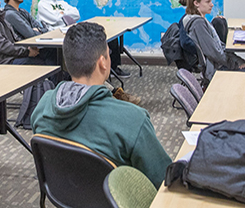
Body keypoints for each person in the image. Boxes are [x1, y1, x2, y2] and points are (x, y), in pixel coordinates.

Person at [31, 22, 171, 188]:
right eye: (109, 53)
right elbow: (163, 179)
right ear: (103, 62)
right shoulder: (133, 118)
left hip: (66, 198)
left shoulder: (43, 105)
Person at [35, 0, 130, 78]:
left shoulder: (60, 2)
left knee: (107, 36)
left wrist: (62, 14)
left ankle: (113, 68)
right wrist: (65, 15)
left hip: (70, 29)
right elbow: (54, 19)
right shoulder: (42, 5)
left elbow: (76, 14)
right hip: (57, 34)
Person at [179, 0, 244, 80]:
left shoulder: (201, 20)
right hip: (217, 69)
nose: (212, 5)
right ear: (196, 3)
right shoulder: (198, 24)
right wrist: (235, 63)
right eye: (208, 2)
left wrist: (236, 59)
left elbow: (219, 45)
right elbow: (215, 53)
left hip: (219, 65)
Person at [3, 0, 57, 66]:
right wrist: (36, 31)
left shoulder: (23, 12)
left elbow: (41, 28)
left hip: (31, 49)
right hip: (21, 54)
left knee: (54, 50)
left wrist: (38, 29)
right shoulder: (10, 14)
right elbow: (31, 35)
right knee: (51, 53)